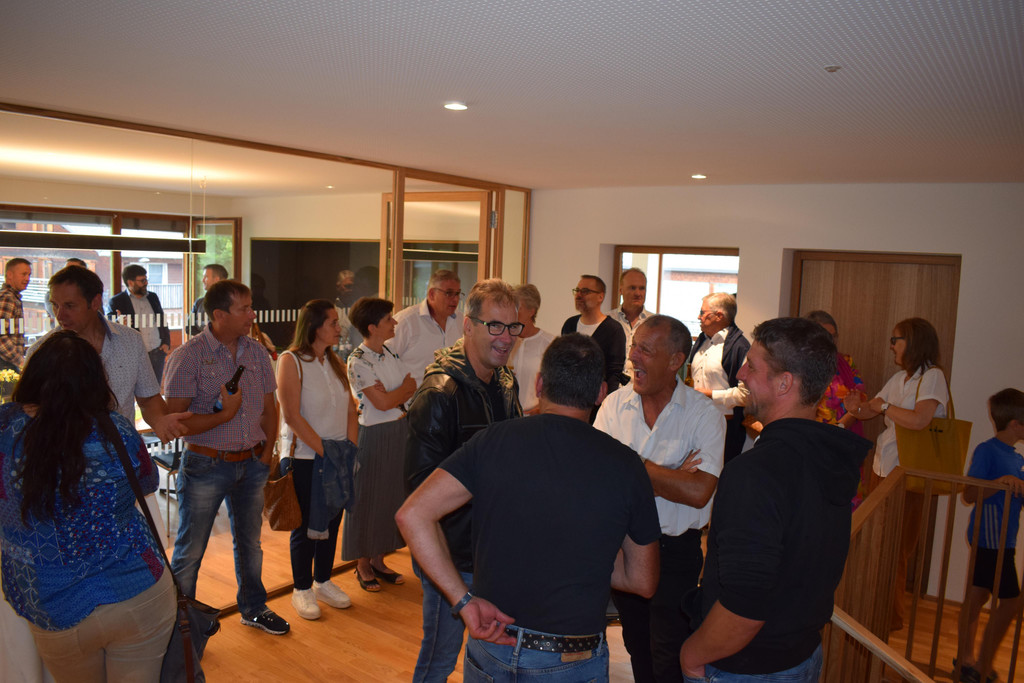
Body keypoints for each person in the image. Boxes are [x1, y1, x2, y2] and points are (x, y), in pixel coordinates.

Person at [396, 334, 662, 682]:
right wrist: (583, 556)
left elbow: (412, 514)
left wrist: (463, 601)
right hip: (572, 655)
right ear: (600, 393)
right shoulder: (626, 466)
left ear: (539, 384)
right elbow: (643, 581)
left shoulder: (492, 440)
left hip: (493, 642)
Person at [679, 317, 871, 681]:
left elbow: (744, 607)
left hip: (748, 666)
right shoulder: (827, 456)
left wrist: (692, 655)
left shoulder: (755, 473)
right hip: (800, 654)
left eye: (752, 366)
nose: (740, 374)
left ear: (785, 383)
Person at [0, 331, 177, 682]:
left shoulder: (6, 428)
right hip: (137, 589)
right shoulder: (116, 429)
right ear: (95, 380)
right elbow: (146, 481)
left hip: (53, 601)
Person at [595, 314, 725, 683]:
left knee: (670, 652)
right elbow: (599, 482)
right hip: (624, 547)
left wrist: (632, 466)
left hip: (676, 553)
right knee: (637, 645)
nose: (633, 357)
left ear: (675, 360)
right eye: (634, 346)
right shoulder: (613, 406)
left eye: (646, 350)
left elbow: (698, 492)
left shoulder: (704, 414)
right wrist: (670, 475)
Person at [405, 278, 523, 682]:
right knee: (439, 660)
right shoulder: (439, 394)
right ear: (468, 326)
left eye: (513, 326)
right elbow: (420, 496)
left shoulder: (505, 382)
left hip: (494, 549)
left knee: (491, 655)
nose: (506, 337)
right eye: (495, 326)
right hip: (453, 557)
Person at [163, 279, 289, 636]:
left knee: (250, 543)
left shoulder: (256, 352)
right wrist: (224, 415)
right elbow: (176, 422)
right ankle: (179, 626)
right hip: (206, 465)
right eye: (244, 309)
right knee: (190, 550)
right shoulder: (188, 356)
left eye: (251, 307)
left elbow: (270, 408)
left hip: (252, 463)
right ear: (219, 315)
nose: (252, 315)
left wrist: (266, 454)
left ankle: (254, 608)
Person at [844, 317, 950, 631]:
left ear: (913, 342)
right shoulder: (900, 378)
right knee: (877, 542)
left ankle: (889, 619)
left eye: (896, 340)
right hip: (883, 467)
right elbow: (872, 409)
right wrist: (856, 407)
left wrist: (882, 407)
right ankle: (873, 610)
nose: (892, 346)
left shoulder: (932, 376)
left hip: (907, 475)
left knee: (896, 548)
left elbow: (919, 420)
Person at [30, 265, 188, 443]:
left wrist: (160, 421)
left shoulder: (130, 340)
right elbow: (30, 412)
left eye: (70, 306)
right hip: (66, 453)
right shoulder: (40, 352)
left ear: (95, 302)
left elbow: (148, 398)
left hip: (121, 450)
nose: (60, 315)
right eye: (55, 305)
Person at [277, 299, 361, 620]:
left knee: (331, 522)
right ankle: (301, 588)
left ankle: (323, 581)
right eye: (333, 322)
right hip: (306, 458)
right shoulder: (291, 361)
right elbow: (292, 416)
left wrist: (349, 449)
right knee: (305, 527)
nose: (340, 328)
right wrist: (329, 453)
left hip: (337, 455)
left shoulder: (335, 361)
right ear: (314, 326)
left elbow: (351, 409)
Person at [343, 297, 417, 592]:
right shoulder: (358, 361)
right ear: (372, 327)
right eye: (388, 319)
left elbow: (409, 388)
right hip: (374, 435)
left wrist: (396, 393)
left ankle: (378, 559)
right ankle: (362, 564)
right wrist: (400, 392)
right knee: (367, 498)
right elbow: (383, 402)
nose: (394, 323)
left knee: (391, 497)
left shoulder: (389, 352)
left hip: (399, 429)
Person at [956, 388, 1024, 683]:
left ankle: (966, 662)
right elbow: (969, 494)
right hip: (990, 540)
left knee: (977, 597)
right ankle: (980, 666)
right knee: (1011, 602)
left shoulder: (1016, 458)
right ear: (1015, 424)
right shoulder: (987, 451)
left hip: (1004, 540)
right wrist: (1000, 482)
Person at [805, 310, 869, 507]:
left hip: (842, 446)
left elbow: (860, 401)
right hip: (810, 447)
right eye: (825, 335)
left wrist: (841, 426)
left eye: (834, 336)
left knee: (845, 508)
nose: (831, 341)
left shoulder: (846, 363)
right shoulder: (797, 365)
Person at [687, 292, 750, 463]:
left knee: (720, 472)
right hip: (695, 421)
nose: (698, 317)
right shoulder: (701, 341)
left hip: (726, 427)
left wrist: (710, 395)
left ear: (719, 316)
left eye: (703, 312)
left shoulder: (740, 347)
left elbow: (746, 395)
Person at [391, 269, 465, 389]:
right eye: (449, 293)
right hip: (413, 398)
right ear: (431, 294)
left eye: (457, 294)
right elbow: (382, 360)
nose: (455, 299)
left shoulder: (462, 321)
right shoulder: (406, 321)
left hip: (450, 398)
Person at [561, 274, 627, 408]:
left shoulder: (613, 330)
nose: (578, 295)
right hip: (569, 402)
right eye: (577, 291)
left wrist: (607, 405)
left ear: (600, 297)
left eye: (585, 291)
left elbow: (614, 373)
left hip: (598, 405)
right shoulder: (570, 324)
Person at [109, 264, 171, 382]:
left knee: (155, 389)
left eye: (146, 279)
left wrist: (166, 342)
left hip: (157, 352)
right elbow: (109, 324)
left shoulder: (153, 297)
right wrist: (117, 322)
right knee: (134, 388)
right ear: (130, 282)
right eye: (142, 281)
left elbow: (162, 319)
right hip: (134, 355)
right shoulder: (117, 301)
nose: (146, 283)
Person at [508, 283, 555, 414]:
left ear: (531, 311)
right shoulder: (505, 340)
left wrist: (540, 409)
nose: (513, 311)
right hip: (505, 417)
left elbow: (557, 386)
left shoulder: (550, 344)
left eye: (518, 307)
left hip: (534, 417)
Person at [611, 267, 654, 380]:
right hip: (612, 386)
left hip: (642, 385)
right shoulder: (608, 320)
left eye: (642, 288)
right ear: (621, 290)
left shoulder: (655, 323)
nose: (638, 293)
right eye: (632, 288)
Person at [0, 257, 31, 371]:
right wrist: (21, 362)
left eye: (29, 275)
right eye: (23, 274)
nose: (27, 279)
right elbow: (1, 336)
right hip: (5, 366)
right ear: (10, 275)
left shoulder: (13, 298)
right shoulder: (7, 298)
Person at [188, 263, 228, 335]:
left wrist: (198, 324)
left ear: (216, 279)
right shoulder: (199, 302)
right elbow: (189, 328)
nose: (202, 280)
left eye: (206, 277)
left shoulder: (231, 302)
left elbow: (224, 329)